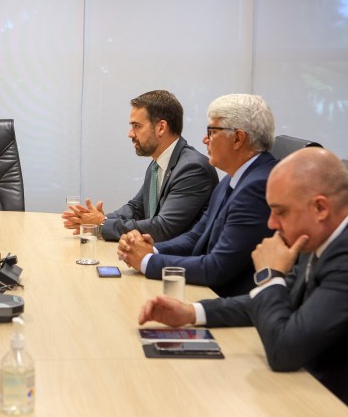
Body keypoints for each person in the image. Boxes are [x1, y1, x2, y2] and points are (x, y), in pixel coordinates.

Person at [138, 148, 348, 415]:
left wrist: (269, 275)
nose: (272, 223)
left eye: (280, 212)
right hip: (305, 390)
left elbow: (284, 351)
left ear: (320, 207)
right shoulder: (331, 235)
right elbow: (284, 296)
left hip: (338, 411)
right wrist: (193, 312)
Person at [118, 94, 277, 297]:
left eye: (211, 132)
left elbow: (217, 267)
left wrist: (148, 261)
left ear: (238, 138)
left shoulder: (258, 187)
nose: (205, 139)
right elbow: (196, 236)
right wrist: (152, 249)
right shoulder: (231, 179)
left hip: (229, 306)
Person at [63, 90, 218, 242]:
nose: (130, 134)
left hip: (179, 264)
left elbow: (164, 228)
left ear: (161, 128)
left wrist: (103, 224)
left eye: (137, 126)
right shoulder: (157, 164)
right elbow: (136, 208)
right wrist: (96, 220)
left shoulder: (193, 168)